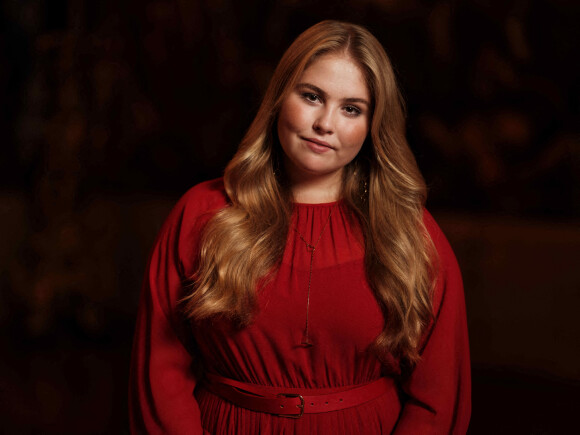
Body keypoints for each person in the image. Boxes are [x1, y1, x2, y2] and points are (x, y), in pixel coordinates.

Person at [129, 20, 471, 434]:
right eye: (312, 96)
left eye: (351, 108)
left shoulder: (409, 233)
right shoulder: (202, 213)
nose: (325, 123)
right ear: (279, 99)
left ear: (373, 125)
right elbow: (159, 373)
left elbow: (439, 397)